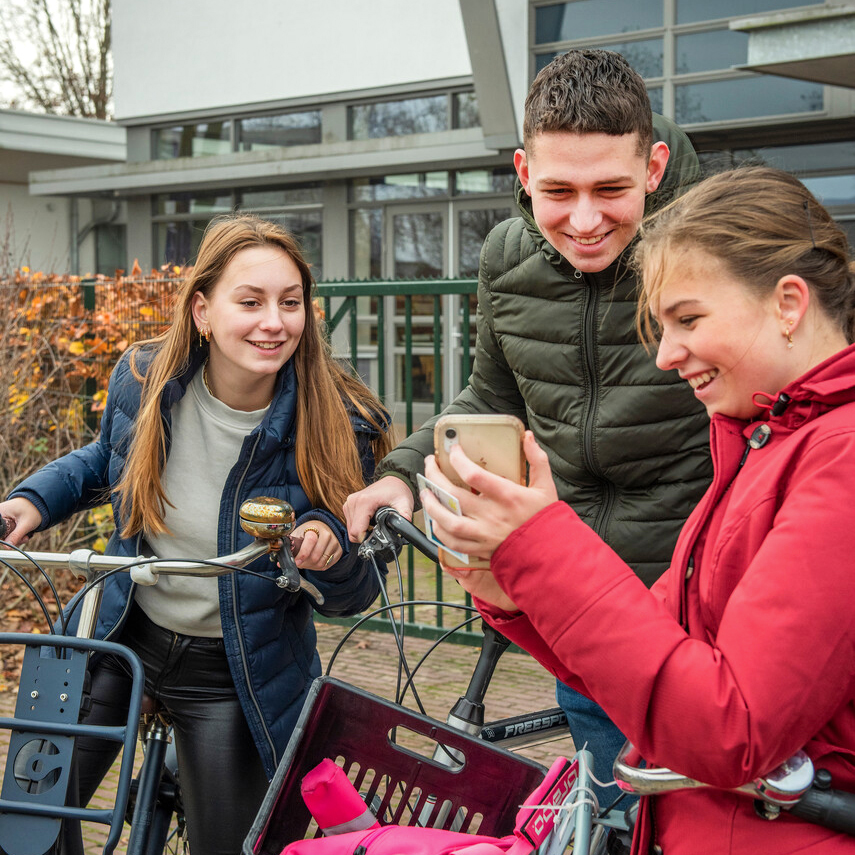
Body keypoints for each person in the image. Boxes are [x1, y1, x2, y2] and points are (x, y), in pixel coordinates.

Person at [421, 166, 855, 854]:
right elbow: (656, 649)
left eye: (687, 319)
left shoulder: (836, 455)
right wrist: (511, 590)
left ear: (788, 303)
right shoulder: (767, 443)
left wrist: (541, 545)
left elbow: (727, 726)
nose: (664, 354)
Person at [343, 48, 712, 797]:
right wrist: (403, 475)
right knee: (610, 815)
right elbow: (491, 393)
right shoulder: (507, 255)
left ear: (653, 165)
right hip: (575, 607)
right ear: (520, 172)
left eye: (610, 188)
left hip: (696, 614)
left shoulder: (715, 249)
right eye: (557, 190)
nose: (583, 220)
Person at [0, 214, 391, 855]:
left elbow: (358, 583)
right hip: (122, 634)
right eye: (251, 302)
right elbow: (106, 460)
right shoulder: (147, 379)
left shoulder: (340, 419)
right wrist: (31, 503)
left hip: (235, 667)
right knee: (28, 818)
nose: (275, 322)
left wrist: (326, 541)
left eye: (290, 303)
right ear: (202, 310)